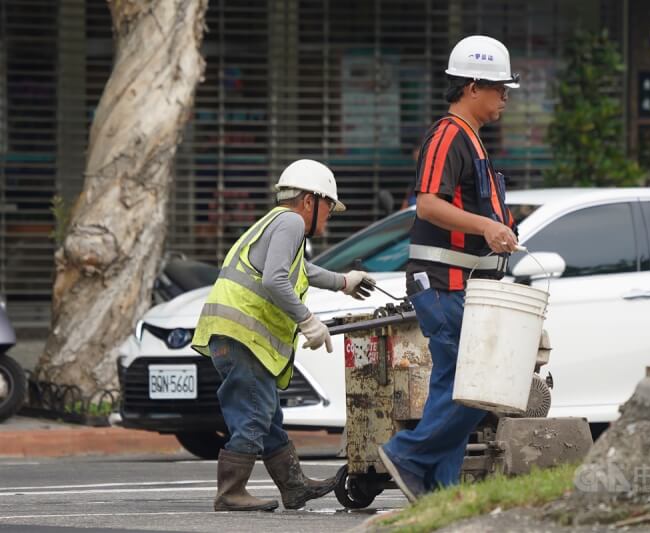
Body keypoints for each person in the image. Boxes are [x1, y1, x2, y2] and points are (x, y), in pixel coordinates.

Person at [378, 35, 520, 502]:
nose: (504, 98)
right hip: (442, 283)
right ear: (473, 86)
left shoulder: (472, 140)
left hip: (461, 285)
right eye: (500, 88)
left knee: (453, 386)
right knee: (477, 387)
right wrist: (486, 226)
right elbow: (427, 205)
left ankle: (441, 490)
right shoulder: (448, 135)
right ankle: (408, 455)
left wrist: (498, 230)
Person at [191, 159, 374, 512]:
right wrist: (308, 321)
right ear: (310, 200)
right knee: (254, 413)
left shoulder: (274, 222)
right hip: (242, 335)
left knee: (267, 414)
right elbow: (275, 279)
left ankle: (294, 487)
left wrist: (344, 282)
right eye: (328, 209)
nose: (328, 218)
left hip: (233, 335)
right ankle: (230, 493)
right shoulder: (291, 221)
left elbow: (300, 270)